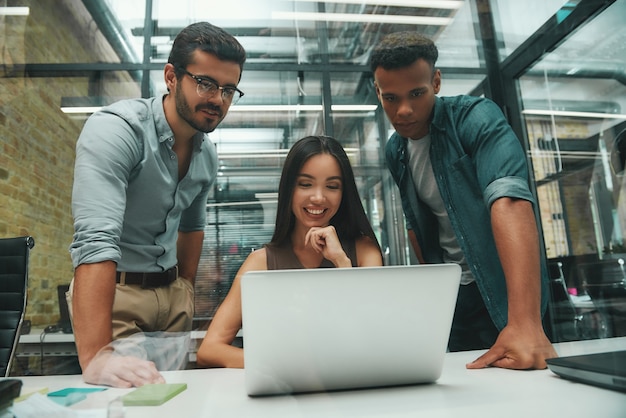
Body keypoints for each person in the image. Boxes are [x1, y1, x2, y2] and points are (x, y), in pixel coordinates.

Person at [68, 21, 246, 387]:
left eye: (228, 89)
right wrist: (96, 356)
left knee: (173, 400)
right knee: (126, 402)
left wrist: (186, 292)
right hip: (118, 296)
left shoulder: (206, 154)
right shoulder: (118, 130)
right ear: (171, 77)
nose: (217, 99)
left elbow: (192, 227)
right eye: (205, 83)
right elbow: (95, 240)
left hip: (172, 298)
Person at [369, 32, 557, 370]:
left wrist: (525, 322)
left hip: (506, 293)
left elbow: (509, 199)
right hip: (453, 297)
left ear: (436, 82)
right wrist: (433, 300)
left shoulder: (476, 118)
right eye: (391, 98)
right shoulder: (395, 151)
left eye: (416, 93)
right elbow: (418, 225)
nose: (404, 110)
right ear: (377, 92)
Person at [196, 135, 383, 368]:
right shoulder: (260, 263)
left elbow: (375, 334)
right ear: (289, 189)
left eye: (332, 186)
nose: (318, 197)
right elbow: (209, 349)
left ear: (344, 194)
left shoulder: (363, 252)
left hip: (353, 386)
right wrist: (284, 366)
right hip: (284, 392)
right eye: (305, 184)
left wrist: (341, 262)